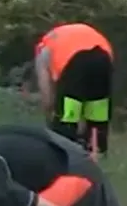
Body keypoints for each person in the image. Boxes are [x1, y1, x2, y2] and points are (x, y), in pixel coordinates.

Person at [34, 23, 114, 157]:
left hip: (74, 60)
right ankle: (97, 156)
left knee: (68, 118)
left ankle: (65, 158)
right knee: (98, 115)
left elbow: (46, 93)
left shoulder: (43, 47)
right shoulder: (72, 35)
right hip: (103, 57)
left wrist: (50, 117)